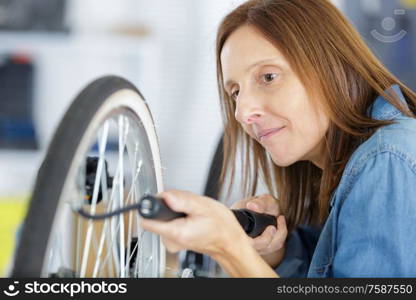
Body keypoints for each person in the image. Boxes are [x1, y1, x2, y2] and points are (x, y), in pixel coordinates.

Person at [141, 0, 416, 277]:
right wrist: (275, 253)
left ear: (331, 65)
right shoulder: (343, 168)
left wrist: (229, 247)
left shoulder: (386, 161)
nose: (242, 112)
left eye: (268, 77)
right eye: (235, 92)